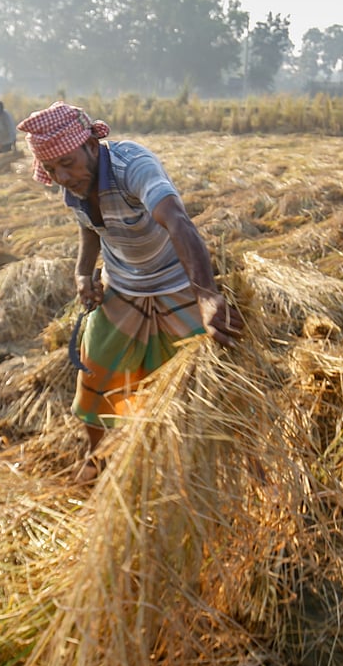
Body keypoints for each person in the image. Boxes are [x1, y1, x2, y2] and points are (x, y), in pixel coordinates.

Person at [16, 101, 243, 481]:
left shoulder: (133, 167)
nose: (63, 176)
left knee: (208, 382)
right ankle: (98, 458)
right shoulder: (73, 187)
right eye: (52, 170)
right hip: (121, 287)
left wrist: (207, 295)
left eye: (67, 163)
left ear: (91, 144)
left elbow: (177, 221)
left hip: (176, 284)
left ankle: (218, 469)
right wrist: (82, 274)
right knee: (94, 376)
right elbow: (90, 227)